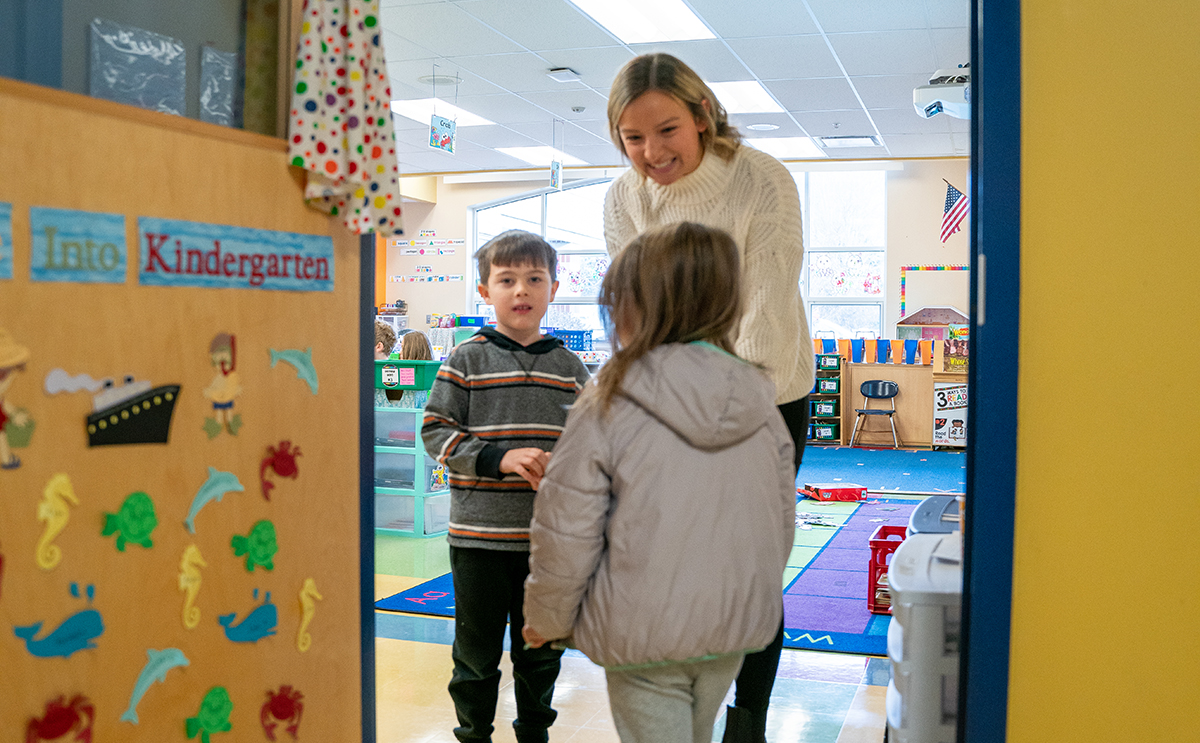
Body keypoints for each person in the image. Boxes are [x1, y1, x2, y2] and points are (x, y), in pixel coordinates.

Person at [603, 52, 816, 741]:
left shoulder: (760, 181)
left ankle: (745, 720)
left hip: (765, 395)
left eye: (666, 130)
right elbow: (634, 311)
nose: (651, 153)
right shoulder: (624, 197)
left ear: (702, 115)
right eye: (633, 138)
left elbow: (764, 305)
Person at [521, 222, 795, 743]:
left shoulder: (610, 395)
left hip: (641, 631)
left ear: (631, 306)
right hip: (730, 630)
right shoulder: (759, 398)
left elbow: (567, 524)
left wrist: (548, 617)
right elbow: (779, 524)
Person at [422, 230, 590, 743]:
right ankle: (473, 733)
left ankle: (534, 732)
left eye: (534, 279)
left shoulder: (569, 368)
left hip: (548, 545)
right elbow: (435, 431)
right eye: (507, 279)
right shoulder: (465, 360)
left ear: (554, 289)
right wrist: (499, 458)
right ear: (484, 290)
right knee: (475, 655)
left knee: (540, 653)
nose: (521, 290)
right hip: (478, 539)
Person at [396, 330, 433, 408]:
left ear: (411, 351)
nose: (399, 353)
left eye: (402, 349)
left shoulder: (407, 376)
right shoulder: (430, 373)